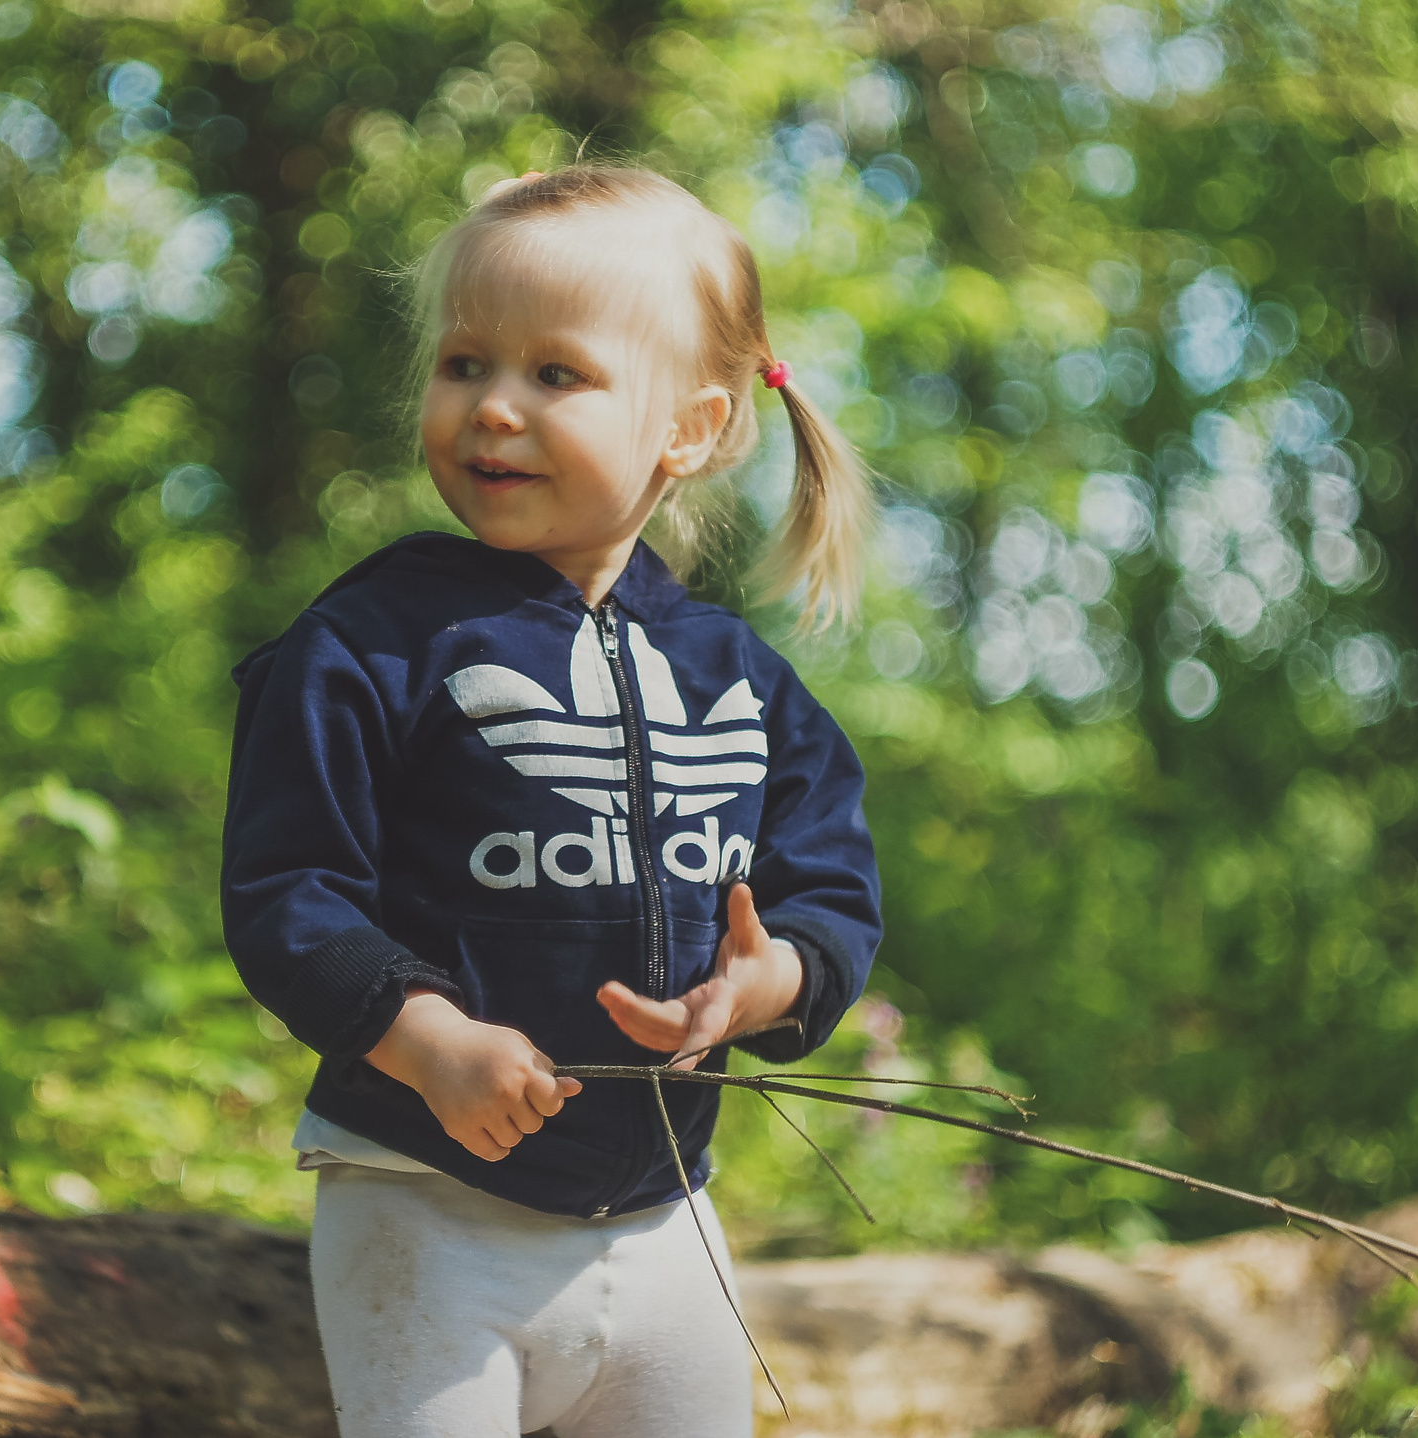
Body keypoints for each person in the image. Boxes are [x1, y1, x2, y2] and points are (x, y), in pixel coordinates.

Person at [220, 165, 883, 1438]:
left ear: (688, 428)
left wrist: (769, 983)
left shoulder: (735, 680)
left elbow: (832, 891)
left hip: (665, 1219)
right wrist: (426, 1040)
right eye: (465, 364)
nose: (494, 410)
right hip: (423, 1200)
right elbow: (287, 892)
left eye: (555, 376)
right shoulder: (369, 644)